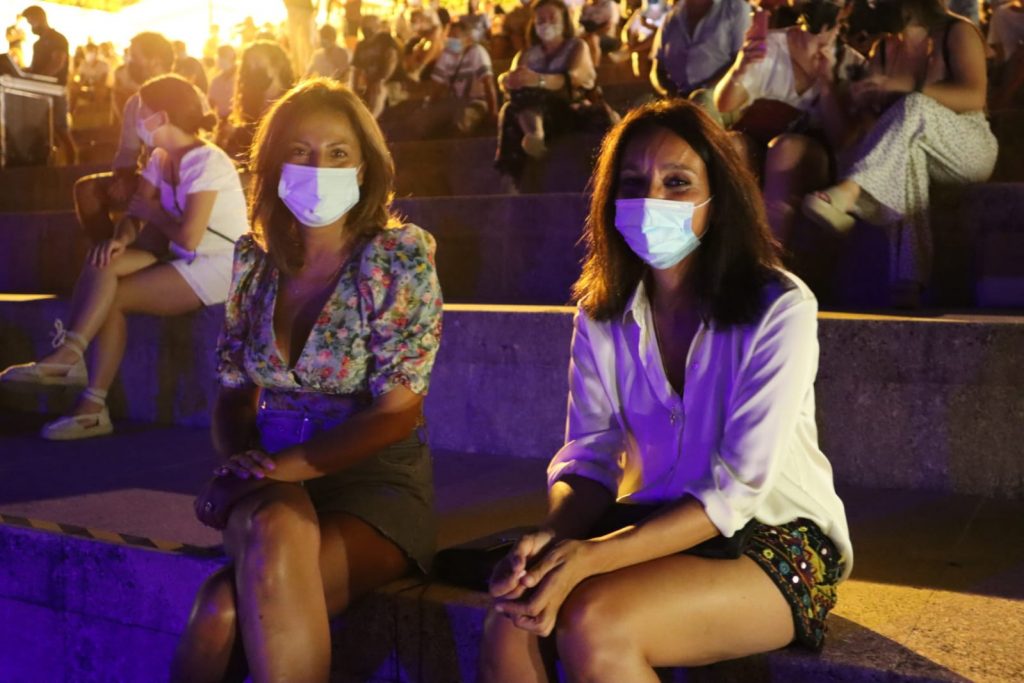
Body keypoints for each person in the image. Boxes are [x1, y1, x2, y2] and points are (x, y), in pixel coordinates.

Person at [479, 98, 852, 682]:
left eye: (676, 183)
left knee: (595, 622)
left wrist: (592, 558)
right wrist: (550, 542)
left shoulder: (778, 306)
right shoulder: (601, 314)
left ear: (716, 199)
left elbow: (737, 488)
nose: (651, 199)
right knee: (512, 614)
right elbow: (592, 457)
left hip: (772, 534)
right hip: (653, 521)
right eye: (633, 184)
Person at [170, 78, 443, 683]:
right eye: (300, 152)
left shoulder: (396, 257)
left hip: (372, 488)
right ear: (273, 167)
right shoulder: (254, 261)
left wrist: (266, 474)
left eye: (338, 153)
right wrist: (241, 462)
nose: (319, 169)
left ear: (365, 167)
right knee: (236, 581)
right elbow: (234, 394)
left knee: (222, 610)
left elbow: (398, 410)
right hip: (269, 480)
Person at [0, 75, 247, 440]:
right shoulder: (161, 158)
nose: (136, 120)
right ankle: (73, 362)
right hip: (180, 254)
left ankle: (87, 397)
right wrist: (120, 240)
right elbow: (135, 213)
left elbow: (189, 237)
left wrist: (152, 212)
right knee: (103, 260)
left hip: (220, 264)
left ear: (161, 117)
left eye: (141, 112)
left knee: (112, 298)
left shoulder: (207, 161)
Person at [801, 0, 996, 307]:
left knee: (913, 106)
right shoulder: (884, 49)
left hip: (968, 146)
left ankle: (852, 194)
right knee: (903, 158)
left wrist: (903, 86)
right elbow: (862, 134)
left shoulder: (957, 31)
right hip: (915, 147)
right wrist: (850, 94)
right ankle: (907, 282)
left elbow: (974, 96)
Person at [714, 0, 865, 243]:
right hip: (760, 135)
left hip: (811, 152)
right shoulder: (771, 45)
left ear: (846, 8)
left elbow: (843, 140)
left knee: (786, 149)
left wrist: (827, 83)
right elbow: (725, 105)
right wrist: (740, 69)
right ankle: (725, 247)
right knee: (732, 145)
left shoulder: (852, 64)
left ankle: (772, 253)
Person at [74, 32, 175, 245]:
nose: (129, 62)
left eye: (134, 56)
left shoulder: (186, 96)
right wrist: (124, 177)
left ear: (155, 60)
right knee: (87, 191)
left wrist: (149, 180)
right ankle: (107, 251)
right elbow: (128, 151)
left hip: (180, 180)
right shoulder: (135, 103)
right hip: (147, 178)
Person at [494, 0, 597, 176]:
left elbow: (574, 78)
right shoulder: (527, 54)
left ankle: (535, 136)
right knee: (510, 108)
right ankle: (516, 169)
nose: (546, 23)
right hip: (530, 110)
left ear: (564, 20)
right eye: (540, 19)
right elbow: (512, 79)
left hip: (567, 106)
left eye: (552, 17)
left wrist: (539, 80)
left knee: (527, 94)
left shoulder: (577, 47)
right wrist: (507, 80)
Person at [216, 40, 295, 166]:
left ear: (277, 66)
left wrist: (238, 132)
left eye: (257, 62)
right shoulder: (252, 104)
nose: (252, 69)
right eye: (248, 65)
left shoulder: (293, 102)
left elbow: (280, 142)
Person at [650, 0, 751, 97]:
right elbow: (657, 65)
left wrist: (705, 92)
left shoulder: (736, 8)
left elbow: (742, 60)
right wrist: (669, 92)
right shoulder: (673, 14)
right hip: (677, 100)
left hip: (717, 99)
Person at [20, 5, 76, 164]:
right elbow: (35, 68)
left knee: (60, 128)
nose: (31, 26)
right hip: (41, 91)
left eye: (31, 22)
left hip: (56, 90)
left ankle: (72, 164)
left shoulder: (58, 39)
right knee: (45, 130)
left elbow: (57, 63)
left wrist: (39, 78)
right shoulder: (37, 44)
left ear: (41, 18)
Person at [351, 15, 402, 118]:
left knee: (377, 97)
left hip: (387, 82)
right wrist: (355, 89)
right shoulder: (361, 45)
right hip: (370, 83)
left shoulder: (385, 39)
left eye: (369, 27)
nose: (366, 30)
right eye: (364, 27)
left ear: (377, 26)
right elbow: (357, 69)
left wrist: (381, 80)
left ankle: (372, 120)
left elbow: (391, 60)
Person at [207, 44, 237, 121]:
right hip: (221, 121)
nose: (219, 60)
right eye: (219, 56)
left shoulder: (241, 77)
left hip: (238, 120)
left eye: (222, 57)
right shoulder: (216, 80)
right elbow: (211, 103)